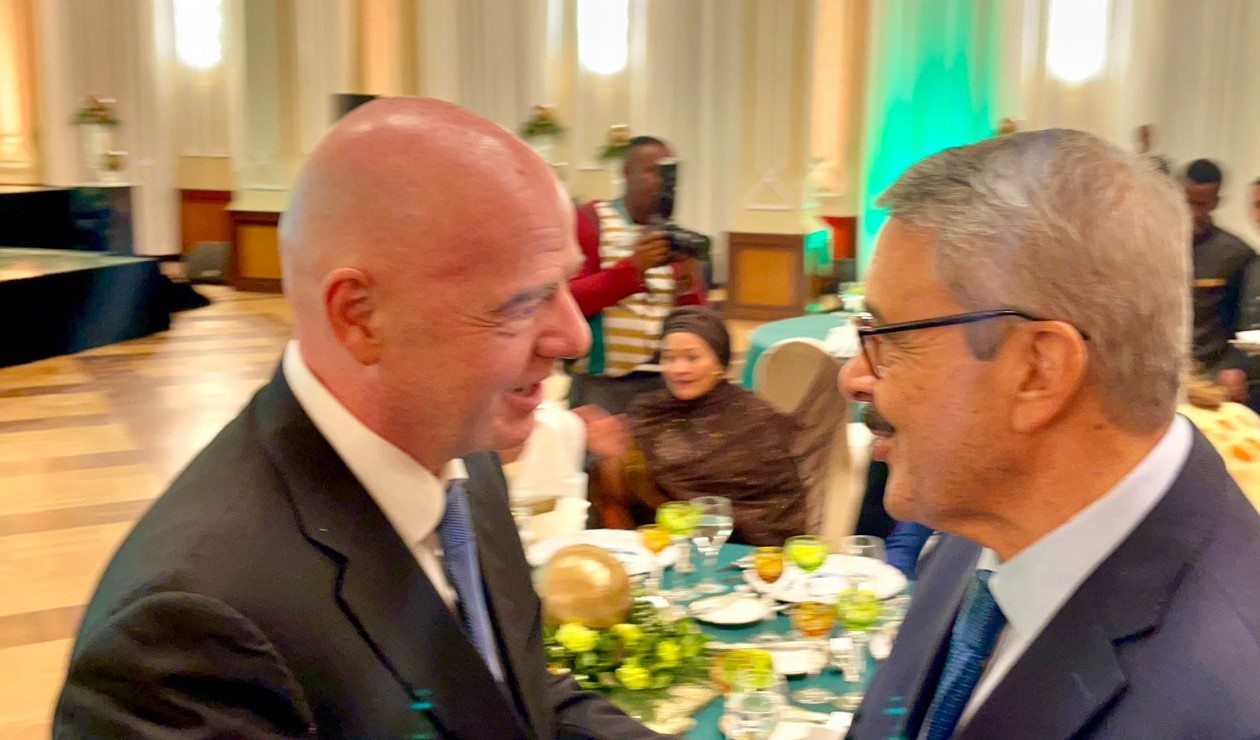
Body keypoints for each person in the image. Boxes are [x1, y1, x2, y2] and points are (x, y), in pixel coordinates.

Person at [54, 98, 669, 739]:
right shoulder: (184, 639)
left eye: (565, 285)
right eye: (523, 302)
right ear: (360, 317)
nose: (573, 335)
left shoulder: (464, 456)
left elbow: (515, 690)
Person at [843, 129, 1260, 739]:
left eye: (888, 339)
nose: (854, 377)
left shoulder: (1226, 700)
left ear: (1039, 371)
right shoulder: (987, 515)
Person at [591, 306, 833, 546]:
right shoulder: (647, 412)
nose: (679, 369)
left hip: (738, 554)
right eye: (669, 358)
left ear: (720, 361)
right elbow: (626, 501)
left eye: (692, 357)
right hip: (660, 549)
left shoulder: (755, 422)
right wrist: (612, 459)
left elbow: (776, 511)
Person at [566, 136, 708, 415]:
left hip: (663, 382)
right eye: (652, 170)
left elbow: (697, 322)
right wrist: (633, 269)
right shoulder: (591, 221)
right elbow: (568, 300)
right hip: (602, 385)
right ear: (626, 172)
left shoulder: (672, 236)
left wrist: (688, 282)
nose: (661, 182)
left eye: (668, 174)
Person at [1184, 158, 1257, 404]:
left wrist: (1236, 367)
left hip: (1213, 378)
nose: (1194, 213)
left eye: (1201, 204)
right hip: (1164, 374)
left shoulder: (1236, 255)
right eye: (1188, 202)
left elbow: (1245, 324)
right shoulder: (1159, 249)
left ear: (1216, 202)